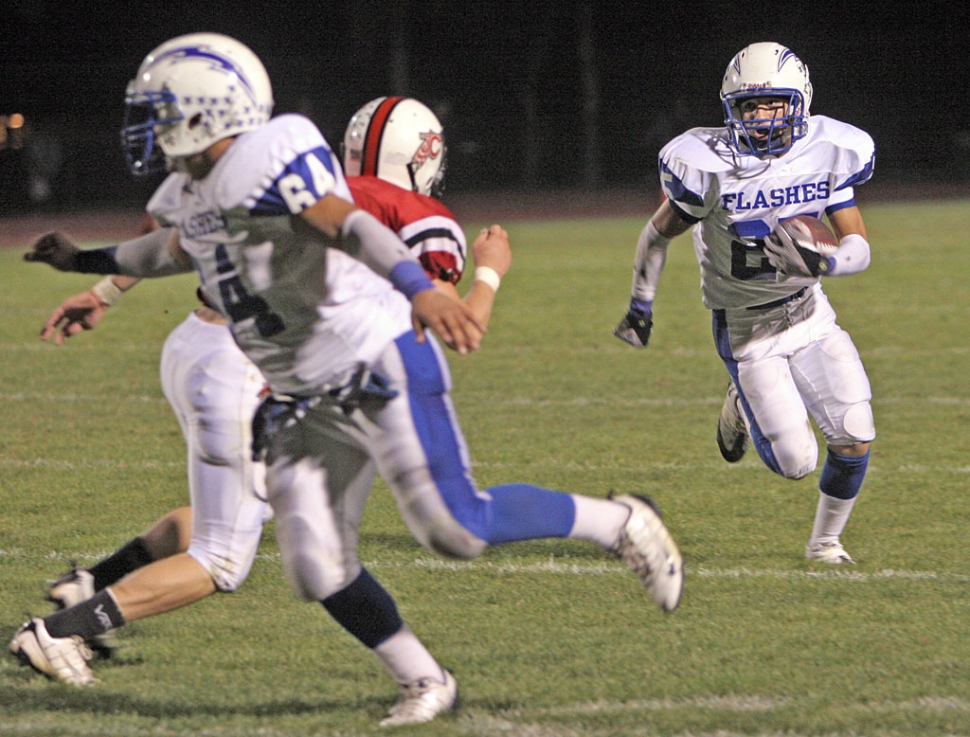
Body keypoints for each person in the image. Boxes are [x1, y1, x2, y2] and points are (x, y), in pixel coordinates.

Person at [12, 32, 682, 720]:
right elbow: (172, 247)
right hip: (303, 392)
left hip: (372, 357)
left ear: (207, 113)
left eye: (160, 111)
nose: (149, 127)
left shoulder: (266, 159)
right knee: (316, 563)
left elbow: (350, 226)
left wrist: (418, 289)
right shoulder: (196, 189)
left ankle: (621, 519)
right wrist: (87, 269)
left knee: (454, 526)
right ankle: (427, 680)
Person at [18, 96, 510, 727]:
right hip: (247, 365)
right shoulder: (378, 202)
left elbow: (169, 243)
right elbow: (437, 308)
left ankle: (89, 584)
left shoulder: (245, 173)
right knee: (223, 558)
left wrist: (102, 285)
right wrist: (490, 274)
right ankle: (61, 628)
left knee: (234, 511)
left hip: (201, 349)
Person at [614, 41, 875, 565]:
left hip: (809, 311)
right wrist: (640, 304)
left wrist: (826, 263)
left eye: (772, 104)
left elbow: (859, 247)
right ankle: (738, 400)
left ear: (799, 101)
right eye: (748, 107)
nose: (760, 118)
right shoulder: (706, 164)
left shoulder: (828, 150)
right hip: (746, 329)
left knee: (855, 433)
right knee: (795, 462)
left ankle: (825, 544)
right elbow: (657, 234)